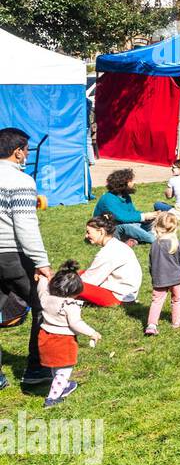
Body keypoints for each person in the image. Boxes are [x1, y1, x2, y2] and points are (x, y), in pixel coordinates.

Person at [0, 127, 53, 389]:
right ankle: (37, 370)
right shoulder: (21, 181)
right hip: (12, 254)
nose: (27, 154)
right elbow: (25, 226)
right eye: (26, 149)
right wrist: (42, 262)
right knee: (43, 305)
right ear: (17, 151)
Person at [36, 261, 101, 408]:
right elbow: (75, 323)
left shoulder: (46, 298)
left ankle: (61, 386)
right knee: (64, 371)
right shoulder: (70, 305)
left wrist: (42, 277)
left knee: (55, 366)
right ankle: (52, 399)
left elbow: (41, 288)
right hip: (63, 340)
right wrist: (92, 332)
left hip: (45, 336)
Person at [78, 214, 143, 307]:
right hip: (127, 292)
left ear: (101, 231)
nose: (86, 235)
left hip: (118, 297)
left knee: (74, 285)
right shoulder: (116, 244)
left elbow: (89, 280)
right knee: (79, 274)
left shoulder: (107, 252)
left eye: (89, 232)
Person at [145, 212, 180, 336]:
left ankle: (151, 325)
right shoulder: (179, 245)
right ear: (175, 228)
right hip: (177, 279)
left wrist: (153, 276)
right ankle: (176, 321)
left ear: (156, 227)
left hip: (159, 279)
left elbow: (151, 263)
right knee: (177, 299)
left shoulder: (154, 245)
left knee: (156, 301)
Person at [93, 168, 158, 245]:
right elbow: (121, 217)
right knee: (128, 227)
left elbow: (132, 212)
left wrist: (150, 216)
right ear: (122, 183)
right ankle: (154, 239)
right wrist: (144, 216)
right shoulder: (108, 198)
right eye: (131, 181)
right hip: (107, 231)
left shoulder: (125, 196)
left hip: (120, 225)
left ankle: (135, 239)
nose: (133, 183)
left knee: (148, 223)